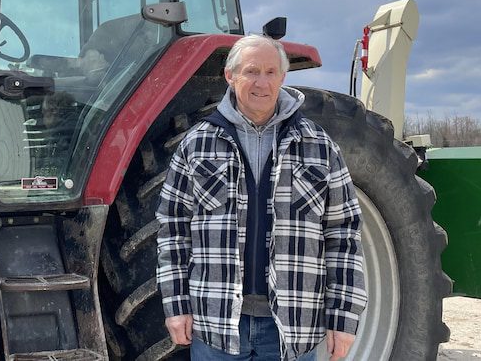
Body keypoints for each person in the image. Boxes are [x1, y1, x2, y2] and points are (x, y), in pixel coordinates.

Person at [156, 34, 367, 361]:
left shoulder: (318, 146)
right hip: (217, 325)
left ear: (283, 77)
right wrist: (176, 306)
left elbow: (343, 234)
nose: (262, 83)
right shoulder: (196, 145)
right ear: (230, 75)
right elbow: (173, 231)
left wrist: (343, 318)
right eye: (252, 71)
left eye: (271, 72)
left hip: (293, 326)